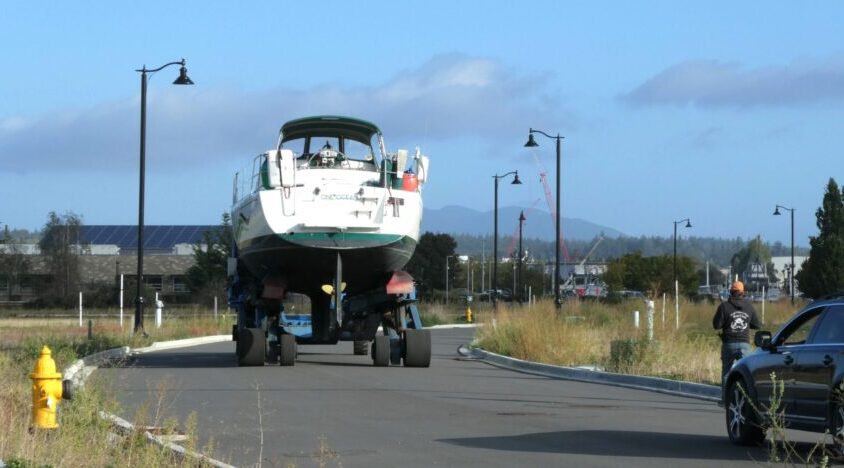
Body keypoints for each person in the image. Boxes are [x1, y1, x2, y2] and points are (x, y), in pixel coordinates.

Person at [713, 280, 761, 384]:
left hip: (728, 344)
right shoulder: (749, 306)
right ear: (743, 292)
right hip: (744, 344)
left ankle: (726, 398)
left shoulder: (724, 306)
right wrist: (747, 323)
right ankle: (745, 396)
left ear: (731, 292)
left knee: (726, 372)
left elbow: (716, 326)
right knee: (746, 373)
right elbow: (757, 325)